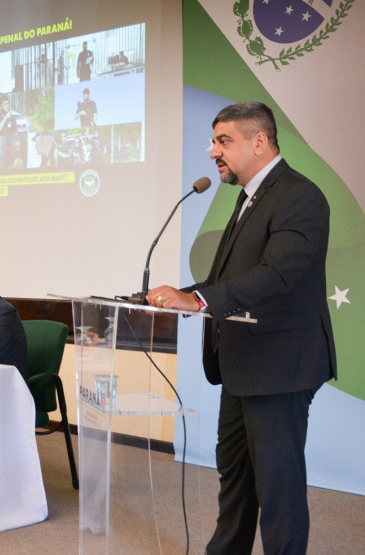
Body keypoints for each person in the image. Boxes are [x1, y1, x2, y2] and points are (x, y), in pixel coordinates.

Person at [147, 102, 336, 554]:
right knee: (234, 478)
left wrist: (198, 300)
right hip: (242, 366)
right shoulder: (249, 197)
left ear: (260, 140)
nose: (213, 151)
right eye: (213, 141)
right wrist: (181, 293)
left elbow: (278, 274)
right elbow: (229, 283)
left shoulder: (299, 195)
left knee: (278, 488)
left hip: (280, 367)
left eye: (223, 141)